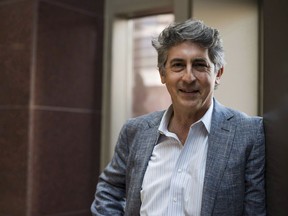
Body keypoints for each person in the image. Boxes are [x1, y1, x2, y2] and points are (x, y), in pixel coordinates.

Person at [91, 19, 266, 216]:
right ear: (162, 74)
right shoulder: (135, 131)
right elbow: (109, 190)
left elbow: (255, 211)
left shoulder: (248, 134)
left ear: (218, 73)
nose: (189, 77)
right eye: (178, 65)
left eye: (200, 65)